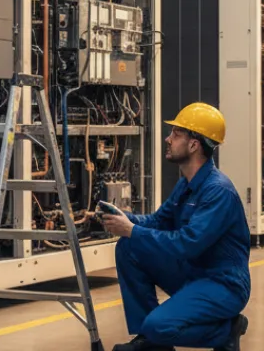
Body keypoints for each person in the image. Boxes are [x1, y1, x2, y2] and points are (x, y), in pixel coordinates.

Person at [100, 102, 250, 351]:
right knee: (129, 247)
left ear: (194, 145)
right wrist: (125, 219)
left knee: (159, 327)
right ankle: (149, 342)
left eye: (176, 134)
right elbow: (159, 221)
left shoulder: (218, 191)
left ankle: (226, 331)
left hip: (223, 284)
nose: (168, 139)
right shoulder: (186, 184)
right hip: (193, 272)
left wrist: (132, 230)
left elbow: (187, 244)